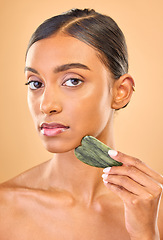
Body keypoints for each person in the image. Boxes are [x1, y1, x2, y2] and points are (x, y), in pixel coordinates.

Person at [0, 8, 162, 240]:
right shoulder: (4, 208)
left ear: (121, 92)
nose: (46, 105)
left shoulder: (156, 209)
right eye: (36, 84)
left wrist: (146, 234)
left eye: (72, 81)